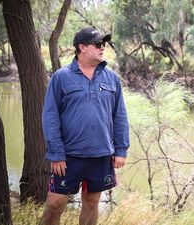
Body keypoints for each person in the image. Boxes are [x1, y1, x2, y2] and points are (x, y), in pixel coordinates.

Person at [40, 27, 130, 225]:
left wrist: (121, 149)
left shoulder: (112, 78)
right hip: (68, 156)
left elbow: (120, 116)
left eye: (104, 44)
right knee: (55, 203)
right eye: (97, 44)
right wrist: (56, 153)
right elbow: (50, 116)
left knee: (91, 201)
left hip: (100, 155)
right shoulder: (61, 77)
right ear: (82, 47)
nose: (102, 48)